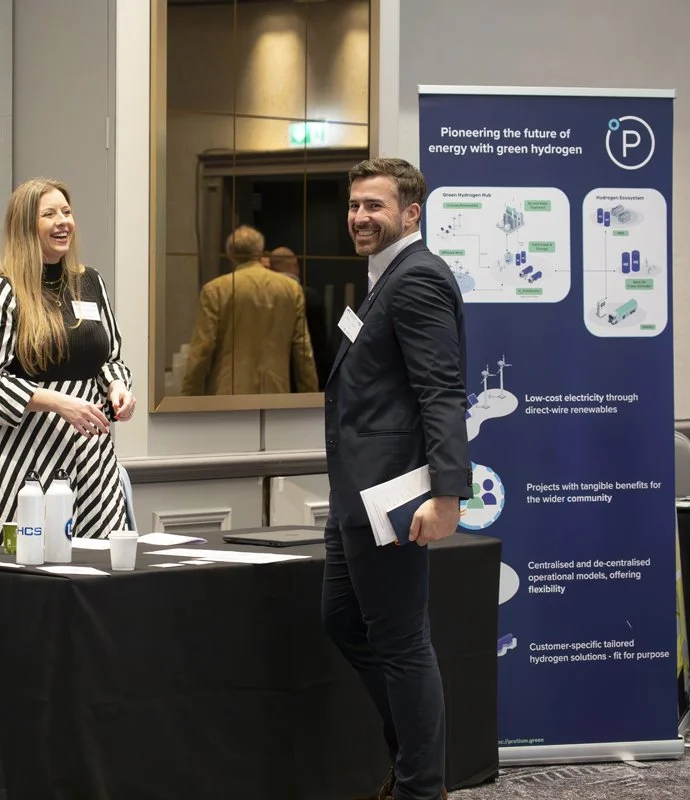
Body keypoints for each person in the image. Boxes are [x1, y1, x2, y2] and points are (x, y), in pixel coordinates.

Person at [322, 157, 472, 800]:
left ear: (410, 214)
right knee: (341, 621)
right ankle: (414, 757)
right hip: (356, 494)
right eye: (355, 205)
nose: (360, 217)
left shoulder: (416, 279)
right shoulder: (385, 277)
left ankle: (420, 787)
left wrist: (447, 493)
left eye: (375, 206)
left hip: (394, 495)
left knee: (402, 642)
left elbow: (442, 391)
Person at [0, 177, 135, 679]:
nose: (63, 222)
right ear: (25, 226)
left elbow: (111, 357)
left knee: (98, 569)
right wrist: (58, 403)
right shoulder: (4, 292)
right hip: (22, 460)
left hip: (91, 457)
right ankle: (6, 683)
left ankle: (89, 681)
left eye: (66, 212)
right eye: (49, 215)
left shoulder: (90, 283)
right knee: (23, 575)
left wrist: (118, 387)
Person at [180, 225, 318, 395]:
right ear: (260, 252)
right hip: (276, 393)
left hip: (228, 393)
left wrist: (189, 395)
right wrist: (310, 394)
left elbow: (202, 350)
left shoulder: (216, 290)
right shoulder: (291, 289)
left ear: (231, 255)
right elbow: (303, 352)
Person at [266, 245, 330, 391]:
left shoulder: (264, 298)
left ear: (271, 268)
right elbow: (319, 343)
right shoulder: (310, 297)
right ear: (295, 264)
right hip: (306, 375)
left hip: (272, 378)